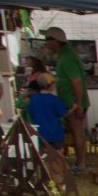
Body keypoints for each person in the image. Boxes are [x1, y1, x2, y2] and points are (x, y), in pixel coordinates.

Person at [40, 27, 89, 173]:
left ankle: (81, 165)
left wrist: (79, 104)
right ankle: (79, 163)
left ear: (55, 41)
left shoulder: (67, 57)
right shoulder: (63, 55)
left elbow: (77, 82)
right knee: (74, 133)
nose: (45, 43)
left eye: (48, 39)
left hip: (74, 102)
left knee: (77, 133)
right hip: (70, 101)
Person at [19, 80, 68, 151]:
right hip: (55, 133)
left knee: (43, 157)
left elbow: (29, 111)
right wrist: (73, 108)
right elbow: (64, 113)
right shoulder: (55, 99)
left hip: (40, 133)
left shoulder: (33, 99)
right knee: (58, 156)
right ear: (51, 86)